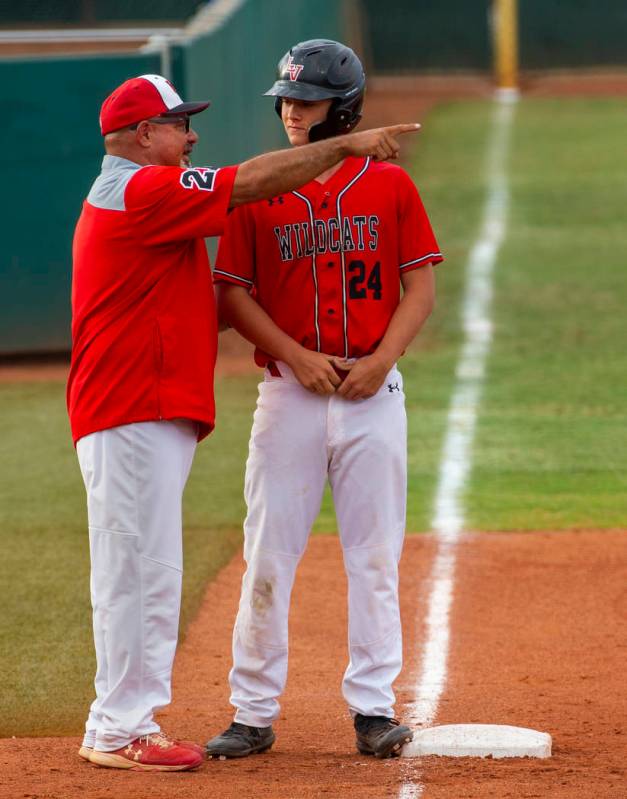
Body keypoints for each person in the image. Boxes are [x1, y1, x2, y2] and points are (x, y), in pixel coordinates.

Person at [67, 72, 420, 772]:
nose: (191, 135)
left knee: (145, 568)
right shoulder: (140, 190)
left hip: (145, 405)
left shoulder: (142, 191)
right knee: (137, 570)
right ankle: (119, 725)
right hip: (130, 404)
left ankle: (124, 718)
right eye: (178, 124)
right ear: (144, 134)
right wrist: (347, 146)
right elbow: (253, 183)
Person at [205, 40, 443, 761]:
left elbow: (420, 287)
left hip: (374, 396)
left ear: (340, 108)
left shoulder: (389, 186)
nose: (288, 112)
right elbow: (232, 295)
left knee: (374, 556)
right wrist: (297, 355)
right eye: (284, 101)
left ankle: (373, 707)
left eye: (303, 101)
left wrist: (382, 360)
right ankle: (251, 711)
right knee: (268, 553)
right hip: (289, 397)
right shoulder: (256, 188)